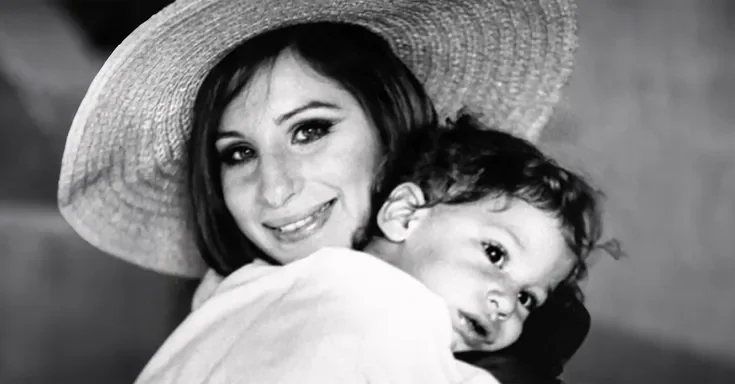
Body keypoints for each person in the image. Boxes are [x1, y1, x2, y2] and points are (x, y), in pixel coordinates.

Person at [57, 0, 586, 382]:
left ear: (389, 125)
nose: (276, 189)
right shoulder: (383, 306)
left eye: (309, 130)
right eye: (238, 153)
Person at [133, 114, 616, 383]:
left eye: (529, 298)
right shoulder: (398, 311)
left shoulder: (245, 281)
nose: (506, 301)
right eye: (495, 254)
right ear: (405, 215)